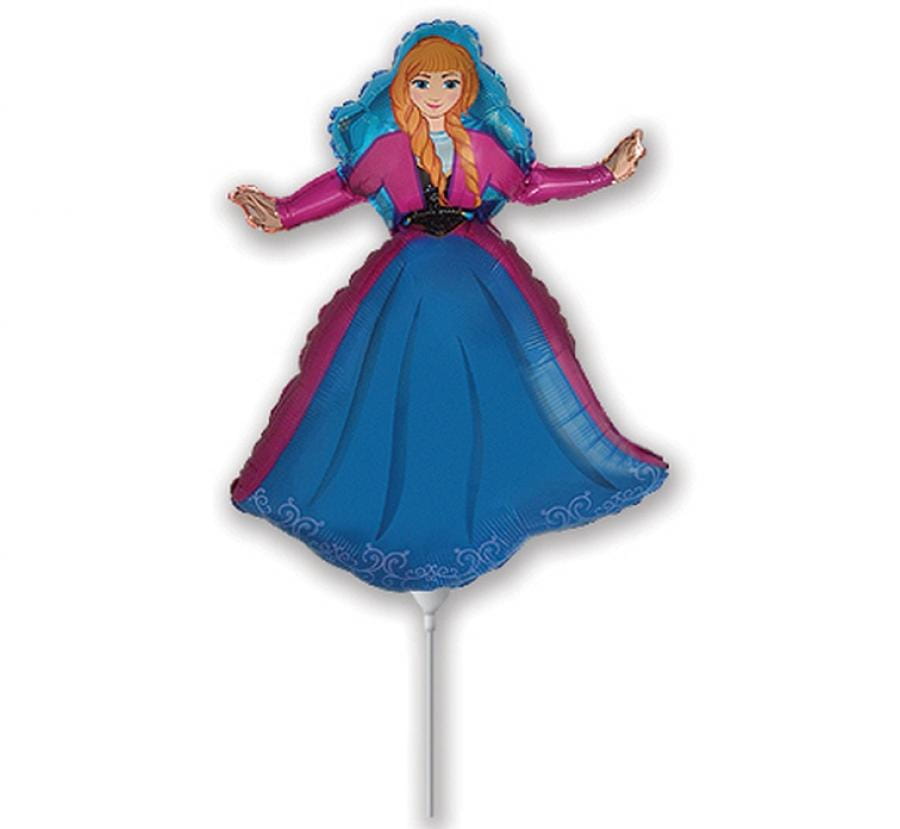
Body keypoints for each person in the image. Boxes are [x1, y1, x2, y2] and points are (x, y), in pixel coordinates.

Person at [228, 21, 668, 592]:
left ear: (467, 89)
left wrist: (605, 173)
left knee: (506, 380)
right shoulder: (387, 151)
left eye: (449, 83)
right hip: (408, 275)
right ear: (403, 88)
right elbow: (345, 187)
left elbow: (530, 185)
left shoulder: (482, 148)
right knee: (385, 383)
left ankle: (498, 483)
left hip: (477, 278)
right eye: (422, 83)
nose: (435, 95)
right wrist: (283, 212)